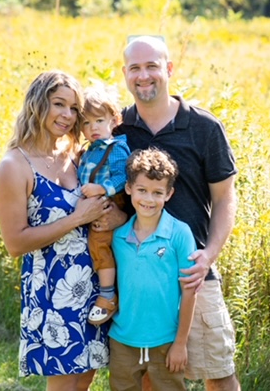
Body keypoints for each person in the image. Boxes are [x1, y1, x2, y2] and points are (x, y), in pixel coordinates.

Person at [110, 35, 240, 390]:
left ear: (168, 68)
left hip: (192, 274)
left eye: (152, 66)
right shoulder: (117, 128)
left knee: (219, 373)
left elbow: (225, 199)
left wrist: (208, 256)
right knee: (151, 378)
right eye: (135, 68)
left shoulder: (204, 128)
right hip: (140, 277)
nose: (143, 76)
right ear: (125, 73)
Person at [0, 70, 112, 391]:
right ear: (37, 104)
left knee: (84, 381)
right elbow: (15, 242)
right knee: (63, 384)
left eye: (74, 108)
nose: (67, 115)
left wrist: (110, 216)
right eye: (59, 104)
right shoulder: (14, 165)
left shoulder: (77, 156)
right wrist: (76, 218)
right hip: (52, 289)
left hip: (93, 285)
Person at [108, 147, 197, 391]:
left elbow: (189, 291)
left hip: (166, 340)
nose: (148, 199)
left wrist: (180, 343)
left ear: (169, 194)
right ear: (128, 188)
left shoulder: (180, 233)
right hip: (123, 339)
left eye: (157, 192)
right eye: (142, 190)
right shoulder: (118, 236)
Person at [77, 86, 131, 325]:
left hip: (108, 203)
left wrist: (102, 189)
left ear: (114, 120)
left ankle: (108, 296)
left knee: (99, 245)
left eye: (99, 121)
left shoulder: (115, 148)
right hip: (93, 203)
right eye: (86, 123)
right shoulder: (90, 150)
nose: (93, 128)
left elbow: (123, 177)